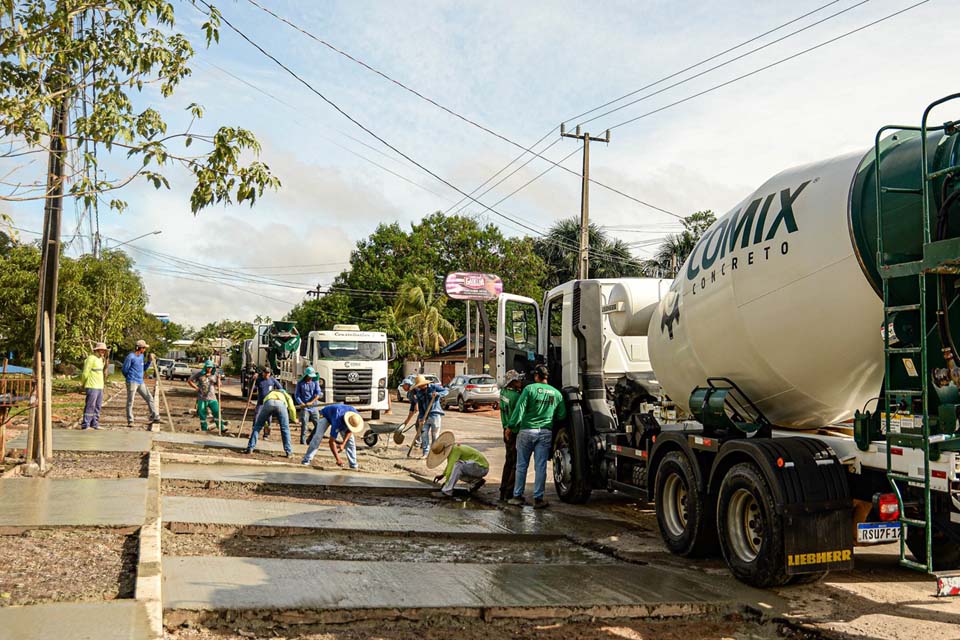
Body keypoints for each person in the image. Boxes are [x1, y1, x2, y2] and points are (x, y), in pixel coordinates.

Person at [507, 364, 566, 509]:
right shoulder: (556, 394)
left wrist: (511, 426)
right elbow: (561, 415)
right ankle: (538, 499)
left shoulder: (529, 389)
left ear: (536, 376)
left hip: (526, 431)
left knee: (522, 465)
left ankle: (517, 496)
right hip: (545, 433)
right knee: (540, 467)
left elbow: (519, 410)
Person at [301, 403, 364, 469]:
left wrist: (343, 444)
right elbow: (331, 442)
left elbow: (350, 430)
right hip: (326, 415)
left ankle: (353, 465)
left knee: (350, 441)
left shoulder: (355, 416)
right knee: (318, 437)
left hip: (339, 415)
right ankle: (306, 460)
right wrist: (338, 459)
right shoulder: (337, 421)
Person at [428, 430, 489, 498]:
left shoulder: (455, 450)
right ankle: (476, 481)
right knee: (456, 471)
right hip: (477, 467)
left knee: (458, 466)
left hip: (481, 467)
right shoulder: (453, 450)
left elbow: (451, 468)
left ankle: (447, 491)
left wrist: (446, 483)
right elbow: (449, 466)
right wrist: (443, 475)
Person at [399, 375, 448, 459]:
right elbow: (420, 407)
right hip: (425, 416)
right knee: (424, 434)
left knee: (435, 436)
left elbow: (446, 391)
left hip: (435, 414)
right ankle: (425, 453)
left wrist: (437, 394)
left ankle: (433, 454)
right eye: (419, 386)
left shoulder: (433, 387)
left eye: (421, 385)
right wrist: (421, 418)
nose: (420, 387)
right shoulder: (419, 393)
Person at [244, 384, 296, 457]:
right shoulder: (285, 394)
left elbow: (264, 410)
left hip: (269, 403)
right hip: (281, 404)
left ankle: (250, 448)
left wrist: (265, 424)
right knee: (285, 429)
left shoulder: (269, 393)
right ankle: (289, 452)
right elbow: (292, 408)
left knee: (257, 426)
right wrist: (294, 419)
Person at [122, 339, 160, 428]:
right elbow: (124, 370)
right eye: (144, 348)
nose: (145, 350)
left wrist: (150, 361)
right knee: (130, 401)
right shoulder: (130, 357)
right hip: (132, 381)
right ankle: (130, 420)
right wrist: (129, 378)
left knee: (149, 397)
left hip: (140, 381)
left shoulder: (142, 356)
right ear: (139, 348)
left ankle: (155, 416)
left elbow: (143, 368)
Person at [498, 370, 523, 501]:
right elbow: (518, 415)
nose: (521, 382)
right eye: (518, 380)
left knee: (508, 461)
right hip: (513, 431)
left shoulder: (503, 393)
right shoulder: (516, 397)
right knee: (516, 463)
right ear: (513, 382)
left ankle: (503, 489)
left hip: (504, 428)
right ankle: (510, 491)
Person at [188, 360, 225, 432]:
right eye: (208, 367)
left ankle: (221, 427)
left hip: (212, 397)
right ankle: (204, 428)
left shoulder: (215, 375)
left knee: (216, 412)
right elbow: (190, 380)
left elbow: (219, 385)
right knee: (202, 413)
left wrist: (219, 380)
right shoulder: (200, 374)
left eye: (211, 367)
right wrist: (196, 388)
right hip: (201, 397)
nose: (209, 369)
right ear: (205, 367)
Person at [80, 342, 108, 430]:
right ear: (97, 350)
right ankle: (86, 424)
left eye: (104, 350)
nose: (103, 351)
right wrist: (83, 383)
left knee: (98, 406)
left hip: (100, 386)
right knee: (90, 405)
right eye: (101, 350)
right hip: (92, 386)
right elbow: (85, 372)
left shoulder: (101, 359)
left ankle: (94, 423)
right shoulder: (91, 358)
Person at [252, 366, 283, 439]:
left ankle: (266, 434)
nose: (266, 375)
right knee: (256, 416)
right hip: (261, 403)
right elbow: (253, 389)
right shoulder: (259, 380)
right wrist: (253, 380)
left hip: (269, 403)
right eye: (265, 373)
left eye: (268, 373)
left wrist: (277, 394)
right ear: (263, 373)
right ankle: (254, 432)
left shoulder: (272, 380)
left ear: (269, 374)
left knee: (268, 419)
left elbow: (280, 388)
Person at [294, 367, 323, 445]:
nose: (311, 378)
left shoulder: (315, 382)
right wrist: (301, 403)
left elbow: (318, 394)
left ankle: (309, 439)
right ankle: (302, 443)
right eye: (309, 376)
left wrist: (311, 402)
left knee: (318, 425)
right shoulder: (300, 383)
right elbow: (297, 395)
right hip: (305, 408)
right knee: (304, 426)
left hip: (314, 407)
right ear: (306, 375)